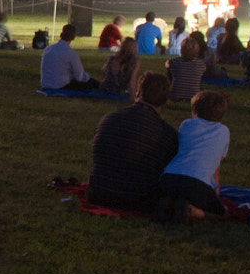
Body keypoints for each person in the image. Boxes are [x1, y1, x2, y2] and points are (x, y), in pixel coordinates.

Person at [85, 73, 178, 213]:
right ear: (165, 99)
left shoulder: (109, 119)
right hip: (138, 200)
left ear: (138, 92)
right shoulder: (166, 134)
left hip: (98, 193)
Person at [157, 89, 231, 223]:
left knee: (176, 195)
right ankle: (193, 211)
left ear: (195, 112)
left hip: (169, 178)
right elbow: (215, 168)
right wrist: (216, 193)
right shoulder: (224, 132)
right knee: (223, 214)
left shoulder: (186, 124)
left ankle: (169, 203)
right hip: (197, 184)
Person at [40, 23, 98, 91]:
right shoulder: (71, 53)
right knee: (94, 84)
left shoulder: (48, 49)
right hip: (60, 85)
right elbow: (79, 77)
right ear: (73, 37)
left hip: (46, 83)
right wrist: (87, 76)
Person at [167, 35, 209, 104]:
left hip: (175, 95)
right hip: (194, 96)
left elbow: (168, 66)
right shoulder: (201, 64)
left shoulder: (174, 62)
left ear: (181, 50)